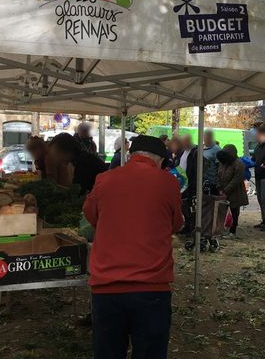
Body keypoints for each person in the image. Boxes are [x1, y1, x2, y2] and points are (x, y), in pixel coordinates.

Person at [83, 135, 183, 359]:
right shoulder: (167, 182)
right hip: (151, 288)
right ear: (159, 160)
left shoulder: (104, 179)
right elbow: (176, 223)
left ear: (130, 156)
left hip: (107, 287)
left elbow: (91, 215)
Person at [216, 144, 248, 237]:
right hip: (223, 191)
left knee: (234, 211)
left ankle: (232, 231)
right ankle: (221, 229)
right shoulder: (223, 163)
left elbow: (236, 180)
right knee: (222, 211)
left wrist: (225, 190)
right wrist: (219, 188)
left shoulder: (239, 164)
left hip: (235, 192)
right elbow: (218, 175)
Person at [179, 135, 198, 235]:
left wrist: (192, 183)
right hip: (182, 181)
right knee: (184, 205)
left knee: (190, 206)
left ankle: (191, 227)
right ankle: (187, 225)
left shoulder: (195, 152)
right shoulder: (183, 152)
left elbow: (194, 169)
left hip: (190, 183)